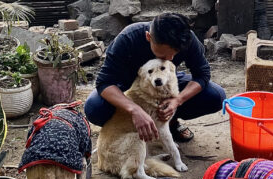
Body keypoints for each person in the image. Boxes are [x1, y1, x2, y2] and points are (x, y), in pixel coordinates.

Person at [84, 13, 225, 142]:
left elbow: (202, 74)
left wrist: (178, 100)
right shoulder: (128, 38)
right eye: (162, 56)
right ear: (148, 37)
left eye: (175, 54)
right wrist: (134, 109)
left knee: (216, 96)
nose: (170, 59)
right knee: (94, 107)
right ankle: (126, 128)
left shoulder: (187, 38)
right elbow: (104, 82)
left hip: (164, 86)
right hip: (128, 87)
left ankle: (170, 122)